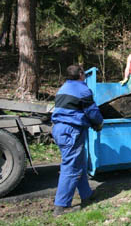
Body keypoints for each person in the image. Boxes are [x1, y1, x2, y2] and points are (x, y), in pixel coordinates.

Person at [51, 65, 104, 216]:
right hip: (71, 130)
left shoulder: (63, 88)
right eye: (84, 74)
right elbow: (92, 112)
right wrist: (99, 123)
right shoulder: (82, 89)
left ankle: (86, 194)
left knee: (78, 163)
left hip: (60, 129)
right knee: (71, 166)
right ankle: (61, 206)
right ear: (81, 74)